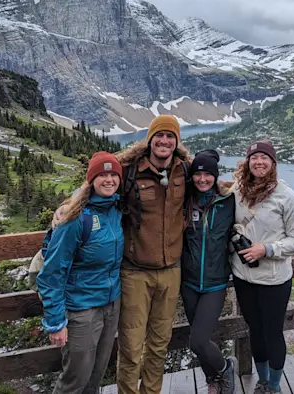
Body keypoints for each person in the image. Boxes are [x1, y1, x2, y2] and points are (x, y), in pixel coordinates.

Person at [37, 151, 124, 394]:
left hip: (110, 305)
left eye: (113, 174)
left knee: (96, 374)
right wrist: (55, 322)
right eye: (102, 174)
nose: (109, 180)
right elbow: (51, 273)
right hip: (81, 310)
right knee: (75, 379)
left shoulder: (117, 209)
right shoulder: (75, 218)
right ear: (91, 180)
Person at [116, 115, 191, 394]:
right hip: (135, 272)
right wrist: (68, 209)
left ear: (176, 142)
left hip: (171, 271)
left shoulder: (185, 171)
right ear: (150, 139)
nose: (164, 141)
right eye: (159, 135)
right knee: (132, 348)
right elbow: (98, 189)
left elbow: (213, 187)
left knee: (159, 346)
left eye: (170, 136)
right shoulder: (129, 171)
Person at [229, 140, 294, 394]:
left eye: (264, 158)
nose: (259, 162)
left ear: (273, 163)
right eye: (254, 158)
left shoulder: (286, 196)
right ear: (247, 162)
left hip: (274, 279)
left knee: (273, 333)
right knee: (255, 330)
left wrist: (267, 249)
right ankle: (262, 381)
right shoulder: (237, 191)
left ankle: (274, 386)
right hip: (243, 276)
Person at [181, 149, 237, 393]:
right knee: (197, 341)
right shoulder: (185, 201)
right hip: (190, 282)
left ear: (215, 176)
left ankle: (225, 368)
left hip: (215, 282)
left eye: (208, 174)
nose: (202, 179)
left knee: (199, 340)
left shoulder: (228, 201)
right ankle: (212, 379)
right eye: (197, 174)